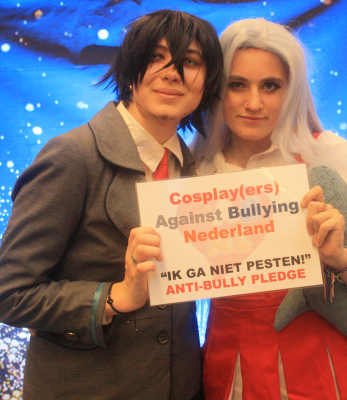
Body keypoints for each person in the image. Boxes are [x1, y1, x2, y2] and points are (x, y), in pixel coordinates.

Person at [0, 10, 223, 400]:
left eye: (190, 62)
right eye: (156, 57)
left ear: (208, 81)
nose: (173, 73)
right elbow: (10, 294)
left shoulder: (194, 168)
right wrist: (115, 297)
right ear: (130, 68)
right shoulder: (72, 155)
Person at [190, 18, 347, 400]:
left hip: (326, 364)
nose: (254, 103)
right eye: (237, 84)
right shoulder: (195, 168)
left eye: (270, 86)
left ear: (293, 91)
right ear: (217, 88)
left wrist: (338, 258)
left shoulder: (327, 154)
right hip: (231, 366)